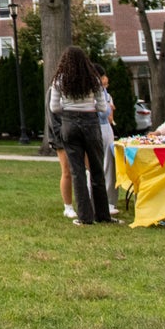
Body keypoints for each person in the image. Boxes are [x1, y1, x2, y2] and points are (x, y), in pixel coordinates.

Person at [48, 45, 114, 226]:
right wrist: (89, 106)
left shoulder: (59, 80)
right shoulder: (93, 79)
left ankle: (84, 216)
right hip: (91, 123)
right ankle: (103, 214)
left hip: (69, 124)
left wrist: (69, 108)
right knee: (97, 169)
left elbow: (54, 107)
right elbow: (102, 107)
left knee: (77, 172)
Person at [94, 65, 118, 213]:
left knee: (93, 166)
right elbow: (105, 114)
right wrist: (109, 107)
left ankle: (96, 201)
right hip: (102, 128)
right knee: (107, 166)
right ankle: (107, 202)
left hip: (94, 128)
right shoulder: (100, 91)